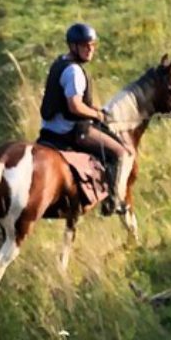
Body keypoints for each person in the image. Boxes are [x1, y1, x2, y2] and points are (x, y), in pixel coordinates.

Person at [37, 22, 134, 215]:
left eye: (92, 45)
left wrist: (94, 109)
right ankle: (114, 201)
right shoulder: (74, 71)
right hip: (69, 130)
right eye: (85, 45)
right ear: (73, 46)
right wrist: (96, 114)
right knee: (121, 153)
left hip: (49, 128)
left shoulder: (59, 62)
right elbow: (74, 106)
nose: (90, 49)